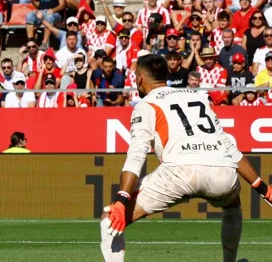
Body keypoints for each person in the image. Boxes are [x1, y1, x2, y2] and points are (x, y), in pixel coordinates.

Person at [100, 53, 272, 262]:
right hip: (223, 172)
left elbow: (137, 154)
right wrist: (264, 188)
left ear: (140, 78)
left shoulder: (146, 104)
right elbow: (230, 149)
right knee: (232, 204)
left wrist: (121, 198)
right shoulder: (197, 96)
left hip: (180, 172)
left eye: (135, 75)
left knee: (110, 219)